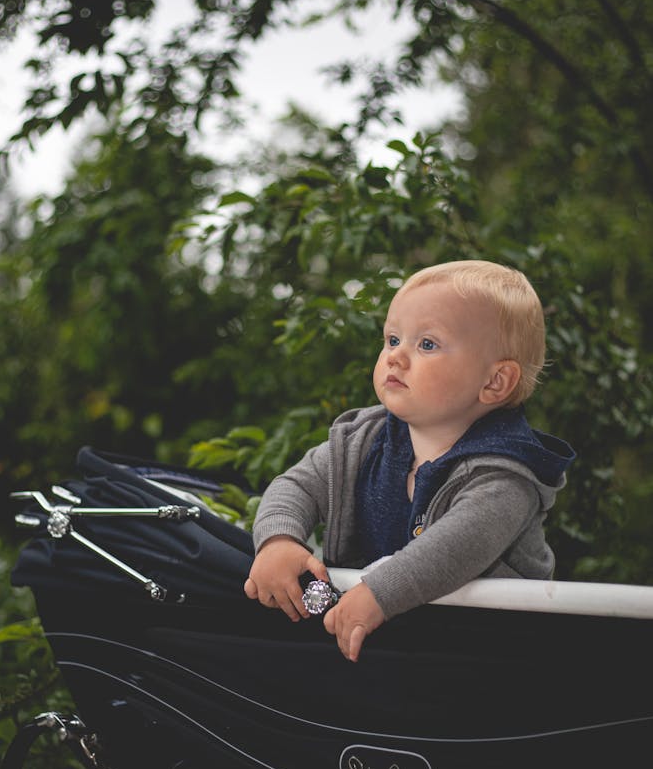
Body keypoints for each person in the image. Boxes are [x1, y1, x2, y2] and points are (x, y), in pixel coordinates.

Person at [244, 259, 575, 661]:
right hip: (387, 644)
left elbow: (456, 545)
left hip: (485, 655)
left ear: (494, 382)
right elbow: (295, 485)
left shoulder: (505, 474)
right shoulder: (361, 440)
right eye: (392, 339)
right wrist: (278, 541)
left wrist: (381, 592)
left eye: (427, 344)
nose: (396, 357)